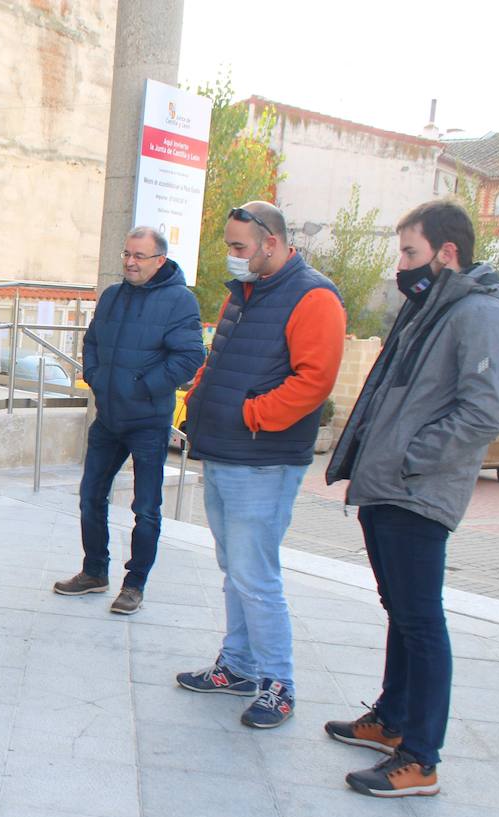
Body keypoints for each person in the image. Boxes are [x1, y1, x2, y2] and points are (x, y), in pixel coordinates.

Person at [324, 200, 499, 796]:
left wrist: (412, 459)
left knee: (421, 620)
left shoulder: (480, 314)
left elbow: (484, 411)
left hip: (419, 491)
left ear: (447, 253)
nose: (401, 265)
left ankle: (421, 757)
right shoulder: (430, 309)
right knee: (401, 611)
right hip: (390, 485)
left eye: (410, 253)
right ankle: (391, 721)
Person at [175, 201, 345, 728]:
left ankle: (278, 683)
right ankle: (239, 666)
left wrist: (251, 415)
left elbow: (313, 381)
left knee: (256, 576)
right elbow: (218, 359)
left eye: (238, 247)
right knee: (236, 570)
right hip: (225, 451)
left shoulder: (314, 296)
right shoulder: (245, 293)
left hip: (263, 460)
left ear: (271, 243)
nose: (231, 256)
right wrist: (199, 402)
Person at [53, 227, 204, 613]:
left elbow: (189, 358)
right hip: (108, 417)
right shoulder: (112, 296)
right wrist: (98, 380)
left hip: (148, 422)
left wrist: (142, 386)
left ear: (160, 260)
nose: (130, 262)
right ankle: (94, 572)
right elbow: (92, 342)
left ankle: (134, 584)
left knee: (146, 508)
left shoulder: (179, 301)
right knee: (90, 496)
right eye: (127, 254)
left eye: (139, 256)